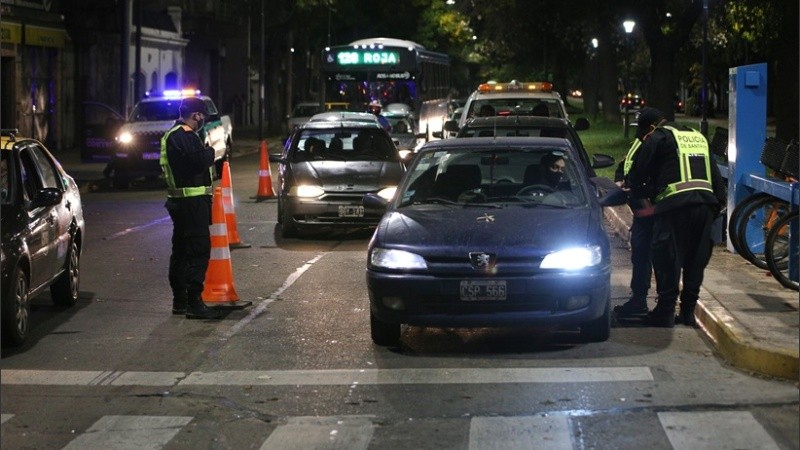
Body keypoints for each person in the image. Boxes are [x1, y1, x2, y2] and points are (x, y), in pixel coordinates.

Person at [625, 107, 726, 327]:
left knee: (667, 258)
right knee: (695, 260)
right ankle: (688, 312)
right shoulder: (697, 137)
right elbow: (716, 178)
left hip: (674, 208)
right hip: (705, 206)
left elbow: (639, 170)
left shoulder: (657, 137)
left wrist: (632, 186)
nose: (640, 138)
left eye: (641, 134)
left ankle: (665, 312)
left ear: (651, 128)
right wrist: (714, 208)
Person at [159, 96, 221, 320]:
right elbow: (199, 161)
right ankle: (194, 302)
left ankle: (181, 302)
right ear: (196, 115)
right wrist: (211, 152)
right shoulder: (184, 136)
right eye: (202, 115)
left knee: (181, 253)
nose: (203, 119)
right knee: (197, 252)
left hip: (182, 203)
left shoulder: (173, 135)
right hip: (191, 205)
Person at [612, 132, 657, 317]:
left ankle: (663, 305)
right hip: (642, 210)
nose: (639, 130)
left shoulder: (658, 145)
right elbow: (626, 165)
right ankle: (639, 300)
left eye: (643, 127)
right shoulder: (639, 144)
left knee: (656, 257)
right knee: (641, 255)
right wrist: (621, 179)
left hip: (656, 208)